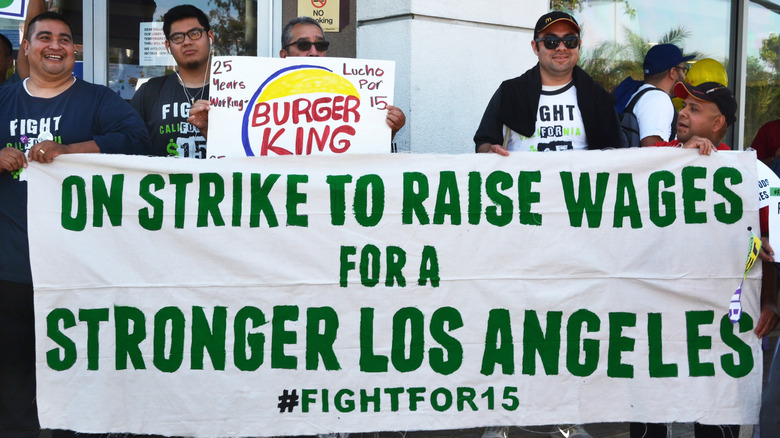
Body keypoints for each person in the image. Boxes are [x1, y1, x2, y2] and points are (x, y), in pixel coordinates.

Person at [0, 11, 149, 438]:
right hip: (11, 269)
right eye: (43, 37)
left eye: (65, 39)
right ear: (26, 49)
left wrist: (72, 150)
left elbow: (138, 143)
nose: (55, 45)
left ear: (75, 51)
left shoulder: (99, 100)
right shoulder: (3, 99)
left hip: (78, 272)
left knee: (76, 379)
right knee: (13, 383)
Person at [631, 81, 780, 438]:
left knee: (715, 419)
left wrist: (771, 300)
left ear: (718, 124)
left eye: (695, 109)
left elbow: (772, 241)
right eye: (684, 104)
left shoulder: (750, 172)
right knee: (650, 418)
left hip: (717, 320)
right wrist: (680, 158)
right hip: (654, 313)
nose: (682, 112)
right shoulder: (649, 158)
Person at [474, 11, 621, 155]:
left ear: (579, 45)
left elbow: (616, 153)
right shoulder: (510, 92)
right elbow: (484, 141)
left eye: (570, 41)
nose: (561, 47)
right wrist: (490, 151)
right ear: (535, 47)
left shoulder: (598, 97)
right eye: (551, 42)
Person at [279, 16, 406, 142]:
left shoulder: (345, 90)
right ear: (284, 55)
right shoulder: (268, 100)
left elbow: (364, 147)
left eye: (320, 45)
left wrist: (389, 130)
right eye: (303, 44)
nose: (314, 52)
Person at [131, 4, 213, 158]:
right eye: (177, 37)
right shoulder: (149, 92)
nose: (187, 41)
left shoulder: (234, 89)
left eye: (195, 33)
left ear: (210, 37)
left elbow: (251, 151)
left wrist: (211, 132)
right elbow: (128, 147)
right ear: (168, 46)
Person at [627, 44, 693, 146]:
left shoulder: (639, 95)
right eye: (683, 70)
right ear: (672, 72)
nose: (685, 76)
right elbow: (652, 149)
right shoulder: (658, 99)